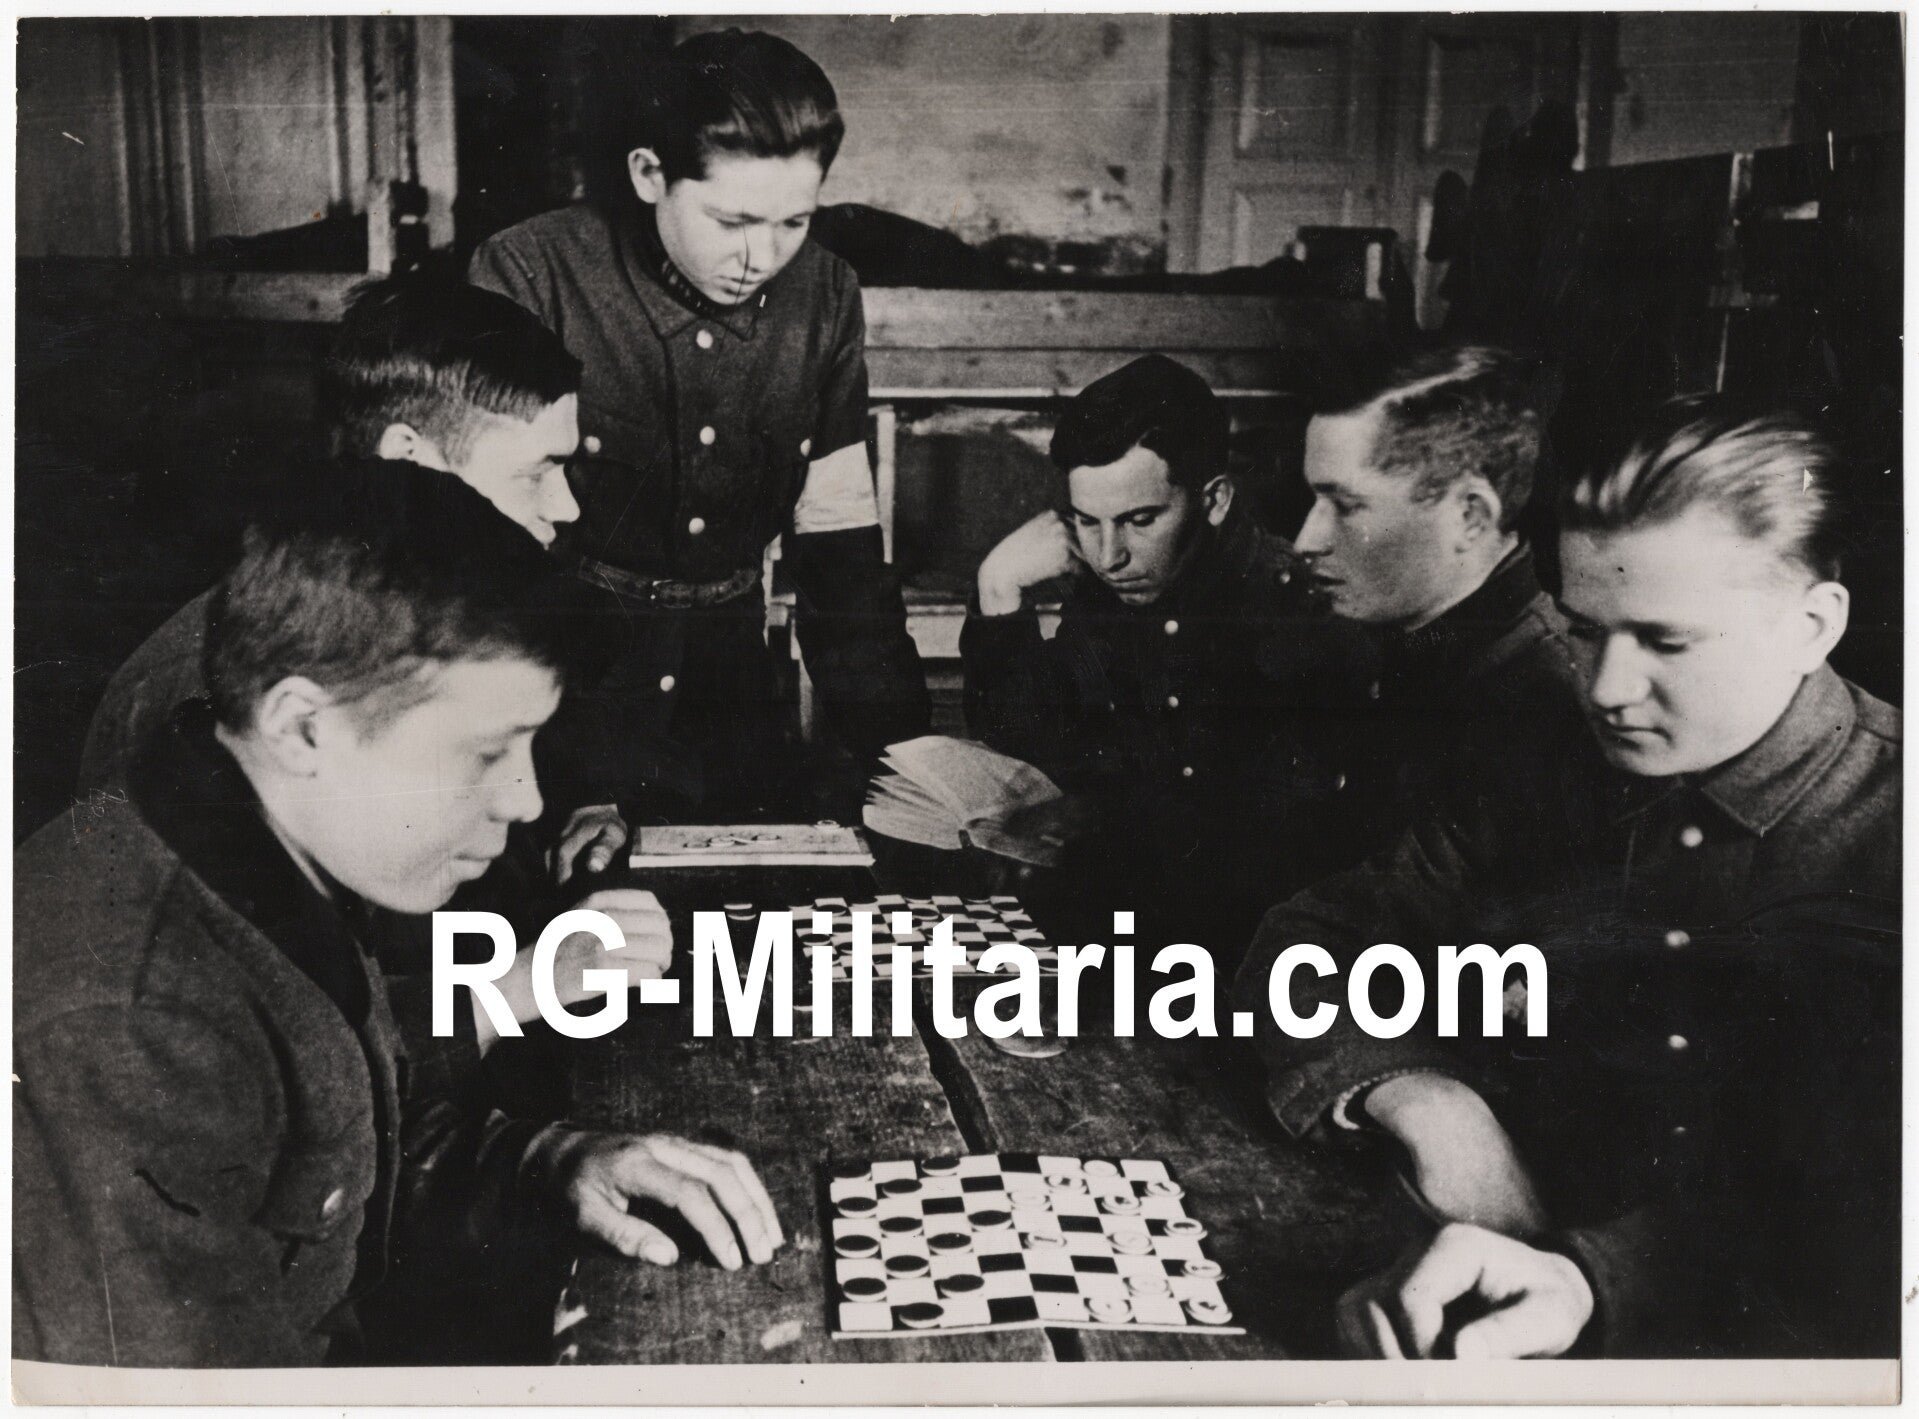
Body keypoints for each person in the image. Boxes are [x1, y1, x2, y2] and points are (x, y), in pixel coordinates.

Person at [14, 465, 784, 1368]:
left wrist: (551, 1161)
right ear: (304, 727)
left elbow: (335, 1145)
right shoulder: (135, 1024)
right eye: (489, 752)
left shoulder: (265, 843)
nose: (528, 799)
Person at [1231, 398, 1899, 1358]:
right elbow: (1311, 943)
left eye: (1665, 641)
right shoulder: (1553, 763)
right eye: (1584, 630)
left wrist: (1592, 1277)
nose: (1607, 689)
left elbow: (1863, 1236)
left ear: (1811, 624)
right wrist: (1421, 1097)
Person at [470, 27, 928, 819]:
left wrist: (910, 757)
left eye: (793, 223)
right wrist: (577, 783)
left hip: (731, 707)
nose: (762, 258)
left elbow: (840, 548)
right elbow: (477, 558)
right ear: (649, 175)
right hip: (559, 706)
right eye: (731, 220)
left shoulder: (825, 295)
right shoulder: (529, 272)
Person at [77, 275, 653, 888]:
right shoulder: (201, 689)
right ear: (407, 457)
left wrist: (583, 807)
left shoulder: (447, 627)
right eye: (536, 473)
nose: (567, 508)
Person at [960, 354, 1375, 957]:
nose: (1109, 556)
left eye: (1140, 520)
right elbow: (1028, 741)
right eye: (1086, 522)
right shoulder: (1114, 590)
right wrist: (999, 590)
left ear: (1214, 500)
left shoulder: (1298, 613)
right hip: (1127, 937)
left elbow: (1273, 857)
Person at [1293, 344, 1580, 835]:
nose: (1306, 541)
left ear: (1470, 516)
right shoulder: (1398, 638)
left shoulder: (1538, 711)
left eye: (1345, 506)